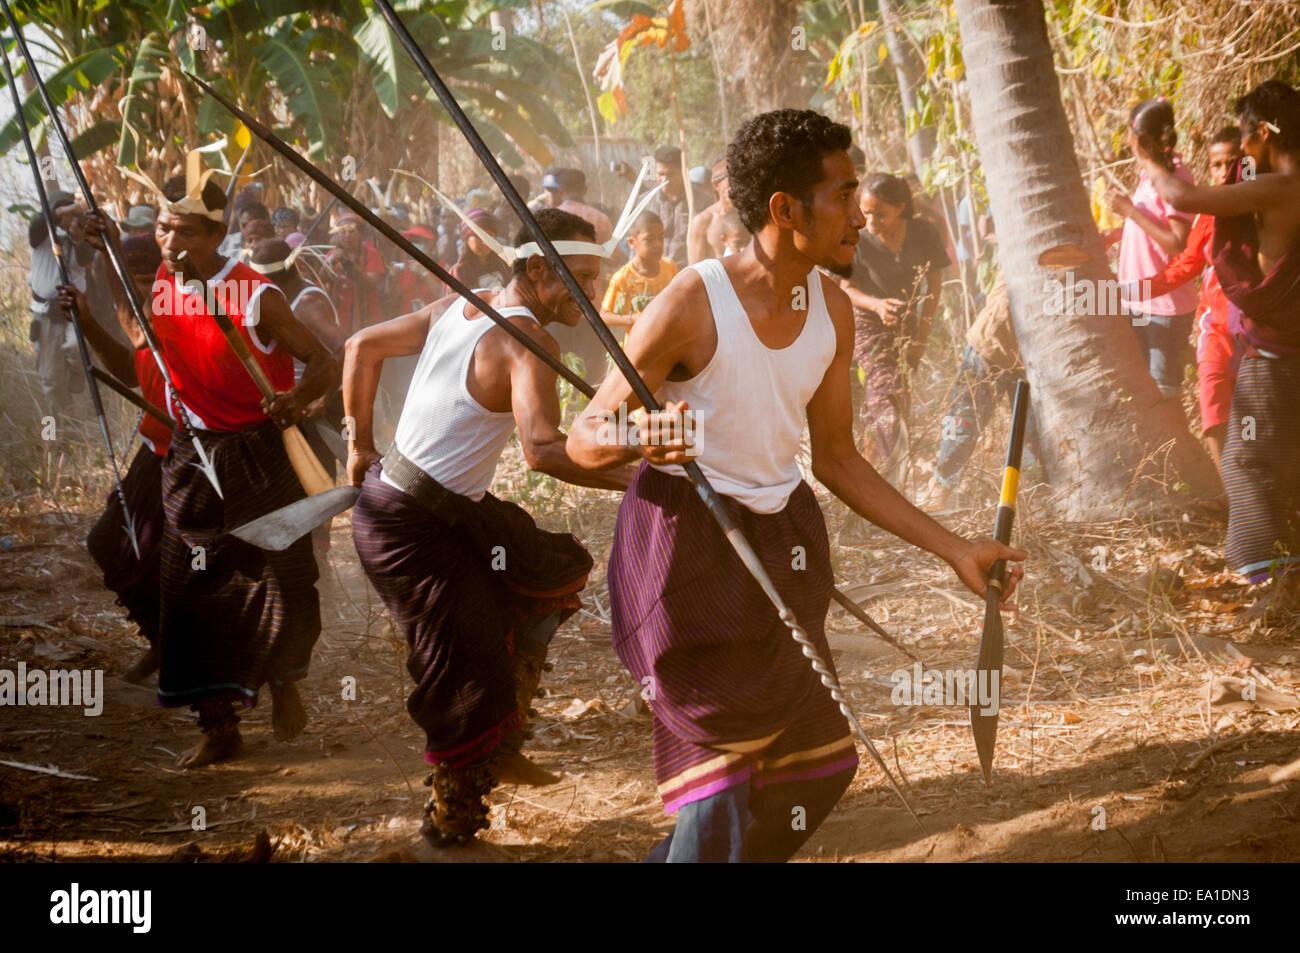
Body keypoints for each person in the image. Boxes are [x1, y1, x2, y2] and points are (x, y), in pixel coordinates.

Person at [566, 109, 1025, 862]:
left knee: (817, 772)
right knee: (715, 798)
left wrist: (954, 549)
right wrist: (641, 435)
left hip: (783, 550)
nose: (859, 212)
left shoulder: (834, 311)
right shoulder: (692, 300)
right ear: (786, 209)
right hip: (685, 553)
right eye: (843, 195)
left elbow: (839, 459)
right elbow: (583, 435)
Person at [344, 209, 634, 846]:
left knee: (549, 570)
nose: (590, 296)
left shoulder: (464, 301)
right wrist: (640, 476)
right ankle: (451, 830)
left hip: (444, 509)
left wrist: (360, 447)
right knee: (465, 675)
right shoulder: (527, 343)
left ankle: (506, 727)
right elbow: (543, 451)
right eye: (579, 280)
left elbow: (361, 348)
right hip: (408, 529)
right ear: (535, 269)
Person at [102, 170, 339, 767]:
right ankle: (217, 723)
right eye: (162, 230)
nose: (171, 243)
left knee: (284, 577)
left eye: (185, 233)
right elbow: (144, 334)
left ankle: (284, 682)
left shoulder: (257, 294)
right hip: (192, 453)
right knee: (186, 587)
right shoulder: (162, 280)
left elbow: (324, 361)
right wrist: (104, 251)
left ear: (216, 236)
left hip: (260, 451)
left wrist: (294, 400)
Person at [1140, 80, 1300, 611]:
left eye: (1246, 140)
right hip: (1275, 356)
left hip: (1276, 365)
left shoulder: (1282, 187)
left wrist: (1147, 157)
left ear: (1261, 131)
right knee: (1274, 459)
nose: (1241, 154)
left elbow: (1183, 197)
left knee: (1247, 456)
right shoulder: (1271, 183)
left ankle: (1270, 580)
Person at [57, 233, 171, 684]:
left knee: (181, 566)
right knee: (108, 542)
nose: (140, 280)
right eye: (134, 271)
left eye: (147, 271)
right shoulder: (142, 316)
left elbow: (136, 326)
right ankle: (159, 637)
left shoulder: (179, 305)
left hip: (194, 454)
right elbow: (133, 371)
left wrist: (111, 255)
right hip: (154, 453)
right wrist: (86, 320)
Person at [1129, 126, 1242, 470]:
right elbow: (1186, 264)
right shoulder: (1210, 213)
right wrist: (1132, 291)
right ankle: (1233, 497)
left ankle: (1260, 495)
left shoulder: (1269, 207)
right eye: (1216, 165)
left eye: (1233, 163)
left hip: (1262, 333)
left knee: (1254, 419)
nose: (1224, 172)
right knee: (1214, 412)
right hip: (1216, 333)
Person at [839, 173, 950, 484]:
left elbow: (934, 287)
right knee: (887, 390)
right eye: (866, 212)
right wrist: (876, 305)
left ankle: (868, 467)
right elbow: (845, 288)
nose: (871, 221)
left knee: (894, 397)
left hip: (907, 320)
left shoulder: (923, 232)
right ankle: (901, 472)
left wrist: (921, 336)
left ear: (901, 206)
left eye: (880, 213)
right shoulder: (857, 237)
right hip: (866, 321)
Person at [1105, 97, 1198, 400]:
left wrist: (1130, 212)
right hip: (1139, 302)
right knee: (1144, 395)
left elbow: (1176, 241)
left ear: (1140, 138)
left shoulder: (1176, 177)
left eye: (1130, 132)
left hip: (1164, 309)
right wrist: (1119, 232)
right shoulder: (1150, 176)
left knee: (1163, 396)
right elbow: (1151, 228)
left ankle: (1177, 449)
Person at [929, 269, 1044, 507]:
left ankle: (1035, 499)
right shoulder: (1025, 249)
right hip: (989, 348)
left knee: (1033, 434)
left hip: (1030, 359)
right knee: (962, 424)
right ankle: (939, 492)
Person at [601, 210, 677, 327]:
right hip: (638, 343)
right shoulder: (622, 278)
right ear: (631, 242)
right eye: (649, 239)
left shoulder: (669, 267)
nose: (657, 244)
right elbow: (605, 316)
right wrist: (633, 319)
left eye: (661, 238)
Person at [651, 145, 714, 268]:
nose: (664, 179)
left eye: (670, 174)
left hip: (687, 274)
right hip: (654, 276)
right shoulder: (646, 203)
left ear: (683, 172)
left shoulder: (703, 203)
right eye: (660, 174)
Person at [326, 211, 387, 334]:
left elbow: (371, 283)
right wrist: (329, 263)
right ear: (337, 235)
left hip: (368, 318)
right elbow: (321, 280)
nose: (347, 235)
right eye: (342, 232)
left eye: (351, 231)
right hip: (339, 318)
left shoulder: (371, 253)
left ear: (360, 234)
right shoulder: (332, 254)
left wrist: (352, 267)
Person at [448, 206, 508, 292]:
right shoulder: (459, 273)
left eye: (489, 235)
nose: (484, 241)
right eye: (478, 236)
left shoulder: (505, 264)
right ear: (466, 239)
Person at [687, 157, 733, 264]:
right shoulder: (704, 221)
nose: (738, 188)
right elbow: (695, 271)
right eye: (731, 184)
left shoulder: (752, 217)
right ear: (717, 185)